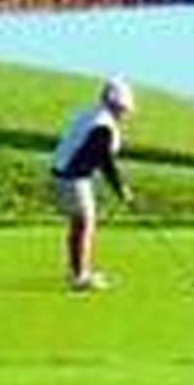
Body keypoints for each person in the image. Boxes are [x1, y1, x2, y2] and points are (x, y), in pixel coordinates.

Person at [50, 77, 135, 292]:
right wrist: (121, 188)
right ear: (116, 105)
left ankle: (77, 271)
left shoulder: (93, 114)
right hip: (72, 176)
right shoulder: (103, 126)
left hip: (66, 173)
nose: (125, 114)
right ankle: (81, 277)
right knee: (85, 222)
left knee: (80, 222)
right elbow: (105, 162)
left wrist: (119, 187)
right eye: (124, 109)